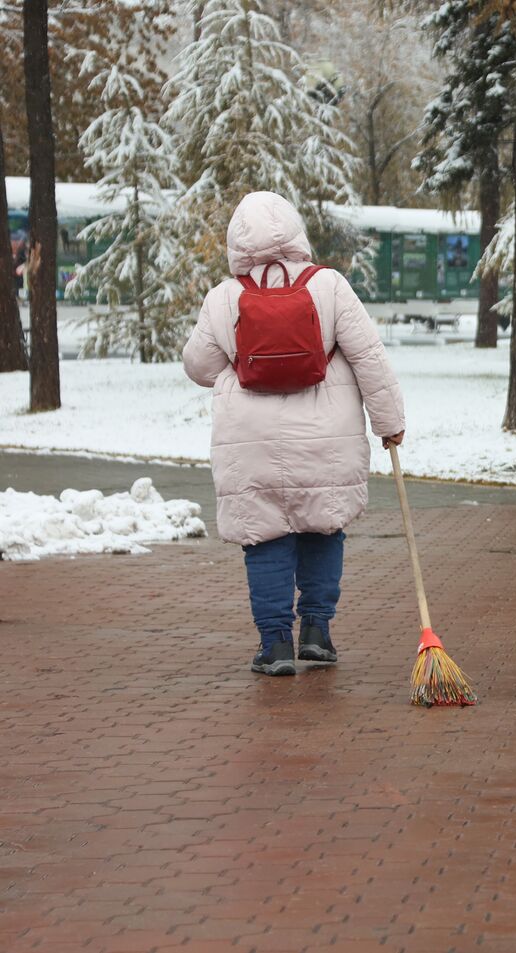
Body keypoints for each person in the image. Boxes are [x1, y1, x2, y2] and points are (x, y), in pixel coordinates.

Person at [183, 191, 405, 677]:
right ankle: (318, 633)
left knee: (264, 539)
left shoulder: (224, 297)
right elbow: (370, 357)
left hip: (252, 444)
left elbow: (198, 366)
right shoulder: (329, 286)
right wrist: (390, 424)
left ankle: (275, 645)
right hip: (326, 438)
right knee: (323, 528)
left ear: (238, 243)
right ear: (295, 232)